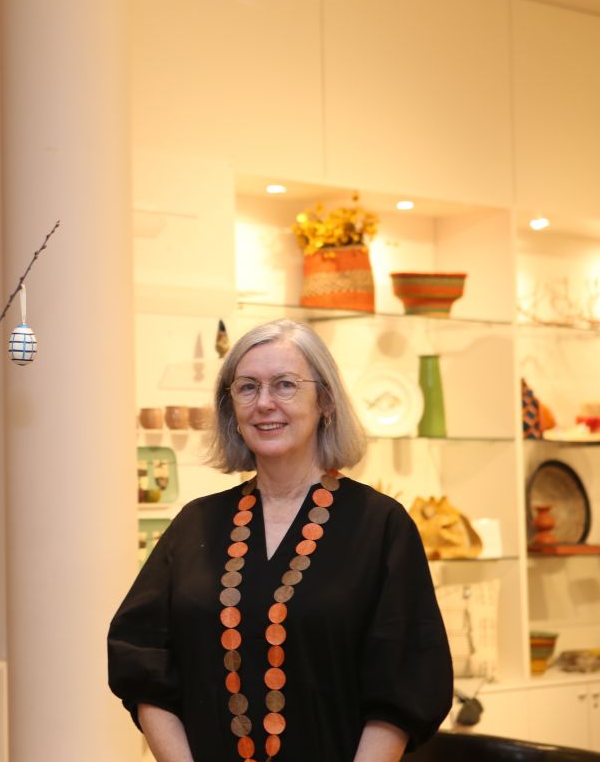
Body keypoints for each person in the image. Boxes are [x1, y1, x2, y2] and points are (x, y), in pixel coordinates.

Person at [108, 319, 453, 762]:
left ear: (324, 401)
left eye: (285, 385)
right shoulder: (196, 524)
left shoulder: (381, 526)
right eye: (247, 388)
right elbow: (142, 659)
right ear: (231, 407)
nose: (264, 403)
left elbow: (405, 683)